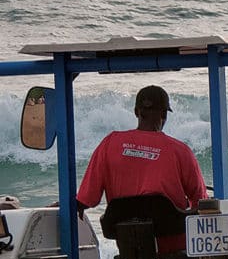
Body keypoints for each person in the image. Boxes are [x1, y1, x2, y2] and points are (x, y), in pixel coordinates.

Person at [77, 85, 207, 231]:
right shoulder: (180, 151)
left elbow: (87, 199)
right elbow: (202, 204)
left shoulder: (109, 143)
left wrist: (64, 206)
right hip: (176, 247)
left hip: (129, 247)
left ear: (136, 112)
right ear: (164, 114)